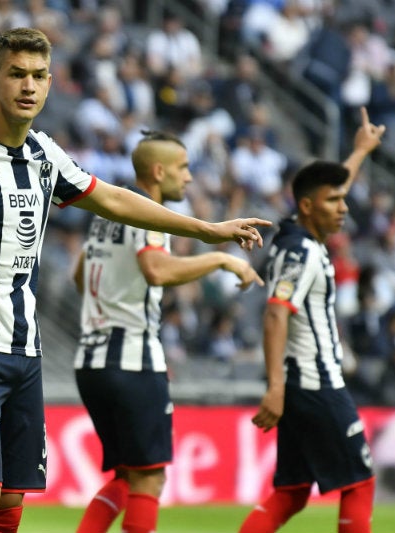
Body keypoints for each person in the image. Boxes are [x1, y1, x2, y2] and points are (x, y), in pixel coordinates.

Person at [0, 28, 269, 533]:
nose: (28, 86)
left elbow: (113, 198)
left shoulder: (44, 154)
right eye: (16, 75)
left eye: (38, 76)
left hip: (24, 352)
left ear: (50, 83)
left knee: (9, 504)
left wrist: (205, 230)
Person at [72, 130, 264, 533]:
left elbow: (79, 274)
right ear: (159, 172)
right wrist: (218, 259)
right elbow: (156, 270)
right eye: (183, 168)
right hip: (131, 360)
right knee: (149, 478)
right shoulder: (145, 211)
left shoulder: (106, 216)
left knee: (126, 477)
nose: (190, 178)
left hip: (91, 360)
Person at [239, 107, 385, 533]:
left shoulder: (302, 236)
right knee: (360, 482)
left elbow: (331, 187)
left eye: (343, 199)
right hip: (314, 383)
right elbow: (275, 315)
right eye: (334, 202)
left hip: (302, 384)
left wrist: (359, 152)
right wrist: (275, 388)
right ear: (307, 206)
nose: (343, 208)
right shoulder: (301, 252)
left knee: (292, 491)